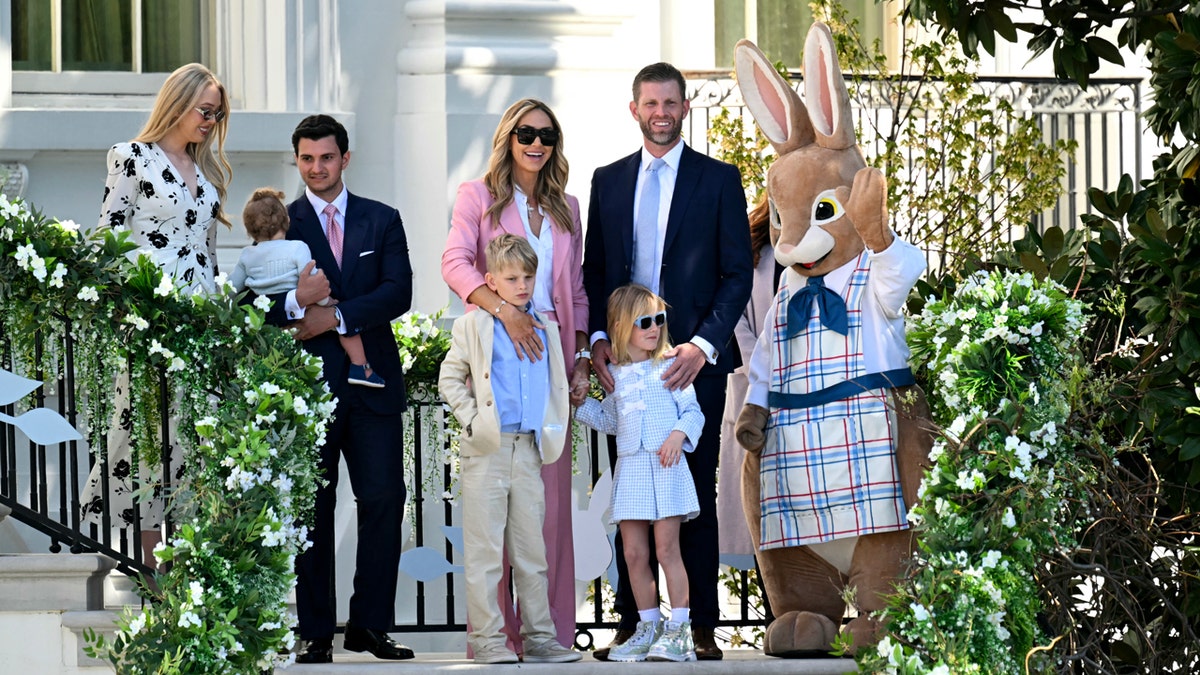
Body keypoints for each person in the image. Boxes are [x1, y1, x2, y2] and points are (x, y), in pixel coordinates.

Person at [582, 61, 753, 661]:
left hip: (693, 363)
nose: (660, 112)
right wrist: (597, 342)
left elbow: (736, 275)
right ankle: (637, 625)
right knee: (632, 496)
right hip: (625, 369)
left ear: (685, 108)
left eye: (670, 103)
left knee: (691, 490)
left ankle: (698, 624)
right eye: (649, 103)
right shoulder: (608, 181)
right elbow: (595, 272)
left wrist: (702, 346)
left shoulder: (718, 179)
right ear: (634, 109)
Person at [258, 114, 414, 664]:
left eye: (326, 157)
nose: (317, 167)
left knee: (383, 499)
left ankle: (370, 626)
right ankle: (315, 630)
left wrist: (337, 316)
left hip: (373, 386)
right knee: (311, 508)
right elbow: (257, 301)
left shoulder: (382, 219)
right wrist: (298, 305)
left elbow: (399, 293)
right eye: (307, 158)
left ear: (344, 159)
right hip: (307, 391)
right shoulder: (281, 223)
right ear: (297, 161)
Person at [441, 98, 589, 653]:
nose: (536, 143)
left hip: (547, 367)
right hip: (501, 354)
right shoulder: (477, 196)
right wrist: (508, 312)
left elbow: (573, 291)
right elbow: (455, 263)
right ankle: (492, 639)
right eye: (525, 133)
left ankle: (547, 634)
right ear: (508, 137)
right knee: (490, 529)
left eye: (546, 135)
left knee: (543, 519)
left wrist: (576, 358)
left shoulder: (567, 206)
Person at [79, 62, 232, 567]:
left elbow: (208, 256)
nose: (210, 121)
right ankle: (149, 567)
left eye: (217, 113)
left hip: (200, 325)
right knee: (146, 434)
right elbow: (107, 237)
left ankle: (185, 560)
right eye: (204, 110)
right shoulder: (132, 158)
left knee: (191, 440)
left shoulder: (206, 174)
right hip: (150, 323)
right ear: (178, 102)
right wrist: (130, 306)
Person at [438, 234, 583, 665]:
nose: (522, 285)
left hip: (530, 450)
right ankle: (488, 642)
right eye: (511, 277)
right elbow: (449, 380)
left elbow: (555, 382)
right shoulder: (472, 326)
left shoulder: (548, 328)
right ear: (491, 281)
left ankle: (540, 639)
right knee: (485, 553)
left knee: (531, 553)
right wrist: (473, 420)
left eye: (528, 277)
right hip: (488, 450)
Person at [573, 284, 704, 663]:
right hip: (631, 469)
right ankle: (647, 628)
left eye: (658, 320)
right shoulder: (614, 375)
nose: (654, 328)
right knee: (632, 552)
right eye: (644, 322)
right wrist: (576, 406)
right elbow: (610, 420)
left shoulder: (670, 365)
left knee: (667, 549)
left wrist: (678, 435)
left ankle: (679, 631)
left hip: (666, 468)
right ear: (620, 326)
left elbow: (693, 412)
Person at [230, 187, 383, 388]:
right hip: (306, 309)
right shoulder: (297, 248)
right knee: (344, 322)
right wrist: (327, 302)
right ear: (287, 221)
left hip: (271, 317)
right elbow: (313, 281)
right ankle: (360, 367)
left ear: (249, 229)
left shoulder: (247, 255)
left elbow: (232, 289)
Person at [717, 196, 778, 565]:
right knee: (755, 507)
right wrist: (760, 361)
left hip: (810, 391)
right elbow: (731, 307)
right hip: (753, 387)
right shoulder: (751, 242)